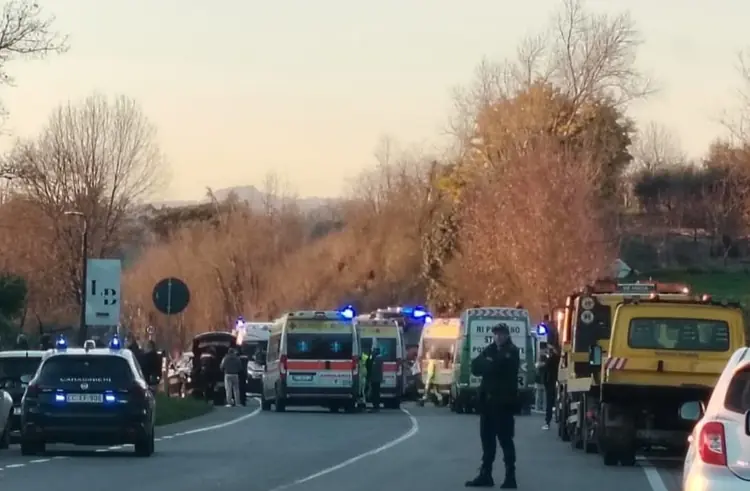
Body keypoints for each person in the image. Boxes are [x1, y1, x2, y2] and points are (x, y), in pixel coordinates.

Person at [466, 323, 520, 489]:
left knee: (505, 440)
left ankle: (510, 476)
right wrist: (488, 363)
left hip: (503, 403)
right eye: (496, 334)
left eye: (501, 334)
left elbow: (497, 366)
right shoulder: (491, 349)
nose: (498, 337)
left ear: (507, 335)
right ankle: (485, 474)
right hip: (487, 403)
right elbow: (475, 367)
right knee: (487, 441)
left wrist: (489, 363)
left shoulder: (511, 351)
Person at [542, 344, 560, 431]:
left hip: (550, 383)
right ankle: (549, 420)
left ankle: (547, 422)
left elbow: (546, 370)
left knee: (549, 403)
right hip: (554, 382)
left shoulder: (551, 359)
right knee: (552, 402)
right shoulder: (556, 359)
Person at [367, 346, 383, 411]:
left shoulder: (378, 358)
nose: (373, 352)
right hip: (375, 379)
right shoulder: (376, 358)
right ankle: (375, 406)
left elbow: (374, 369)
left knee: (375, 393)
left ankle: (376, 406)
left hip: (376, 379)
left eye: (374, 351)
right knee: (375, 393)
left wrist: (370, 377)